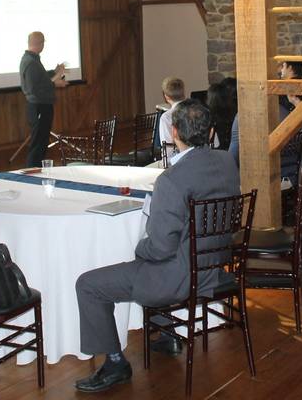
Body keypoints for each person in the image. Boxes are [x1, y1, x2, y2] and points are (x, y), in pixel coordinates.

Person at [73, 100, 239, 392]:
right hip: (214, 267)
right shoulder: (227, 162)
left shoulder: (171, 180)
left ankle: (115, 363)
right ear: (211, 132)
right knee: (153, 261)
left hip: (179, 278)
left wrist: (138, 248)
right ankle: (167, 334)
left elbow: (161, 249)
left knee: (89, 284)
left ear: (174, 132)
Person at [20, 31, 67, 167]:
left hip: (41, 105)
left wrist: (54, 71)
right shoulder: (30, 62)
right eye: (43, 43)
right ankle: (32, 172)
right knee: (38, 144)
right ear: (39, 44)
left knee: (41, 142)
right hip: (38, 106)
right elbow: (33, 88)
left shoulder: (32, 59)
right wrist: (55, 83)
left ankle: (37, 171)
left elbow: (40, 79)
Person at [157, 77, 187, 148]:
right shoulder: (198, 110)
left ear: (166, 96)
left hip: (180, 156)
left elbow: (167, 148)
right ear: (183, 93)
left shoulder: (166, 117)